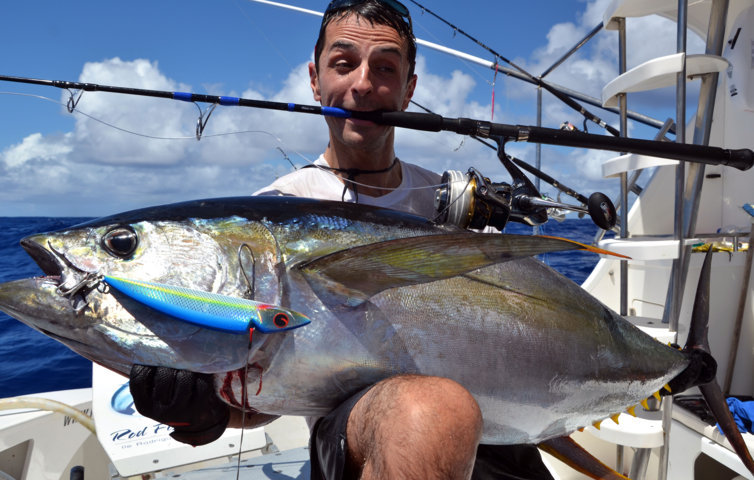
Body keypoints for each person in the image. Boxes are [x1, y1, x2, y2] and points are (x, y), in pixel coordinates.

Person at [130, 1, 555, 479]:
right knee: (432, 409)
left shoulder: (452, 205)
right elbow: (274, 389)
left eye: (386, 68)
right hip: (357, 437)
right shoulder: (267, 218)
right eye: (343, 63)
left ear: (409, 88)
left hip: (493, 434)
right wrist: (204, 413)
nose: (363, 84)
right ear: (315, 79)